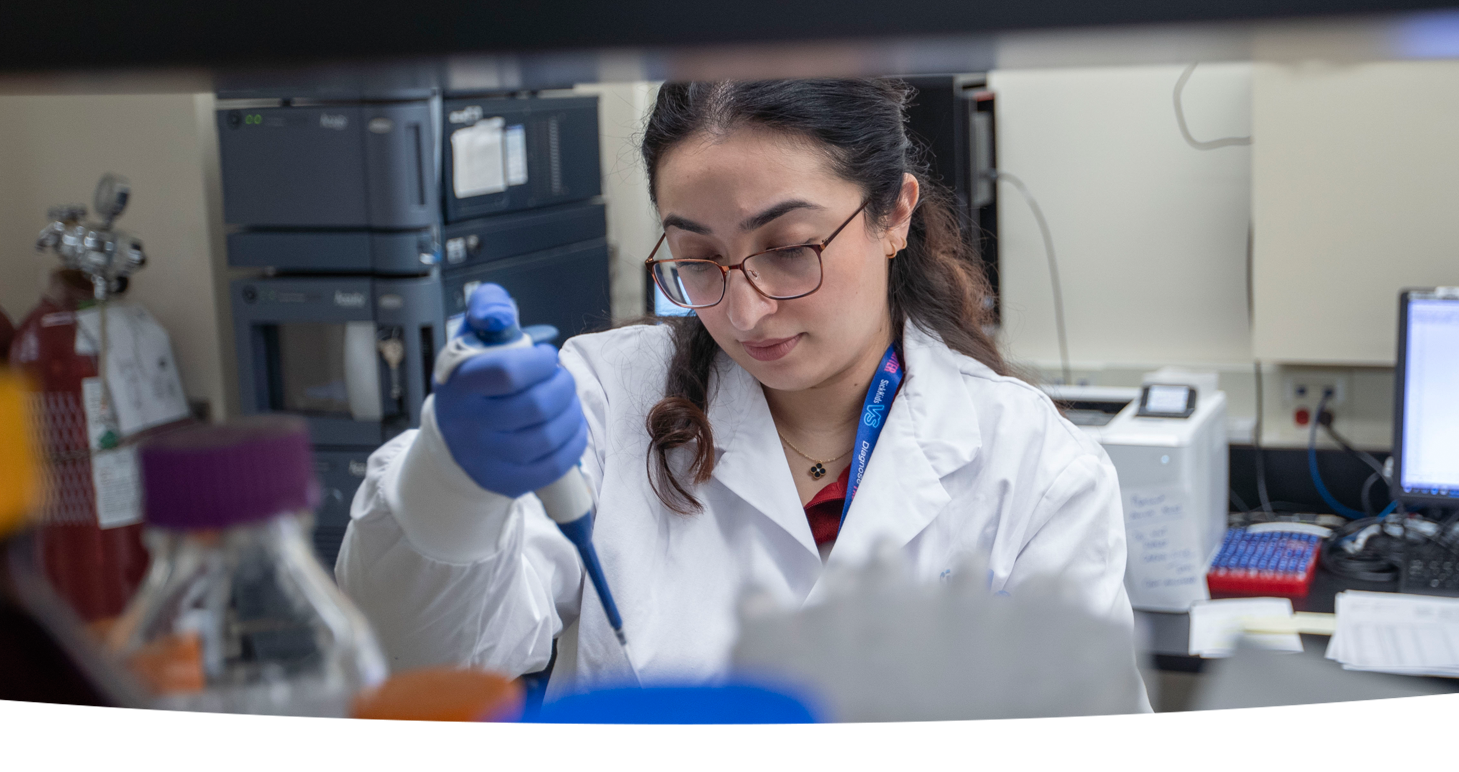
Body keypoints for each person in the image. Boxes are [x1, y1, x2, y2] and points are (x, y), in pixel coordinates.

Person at [336, 79, 1147, 712]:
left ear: (895, 214)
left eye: (790, 249)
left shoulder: (1033, 469)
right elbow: (421, 660)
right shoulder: (606, 401)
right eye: (698, 259)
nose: (746, 309)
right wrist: (452, 482)